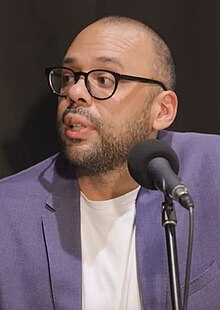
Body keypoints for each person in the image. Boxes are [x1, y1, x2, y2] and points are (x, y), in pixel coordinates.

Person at [0, 15, 220, 310]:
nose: (75, 92)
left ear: (162, 110)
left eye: (104, 80)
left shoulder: (213, 171)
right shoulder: (8, 212)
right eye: (68, 77)